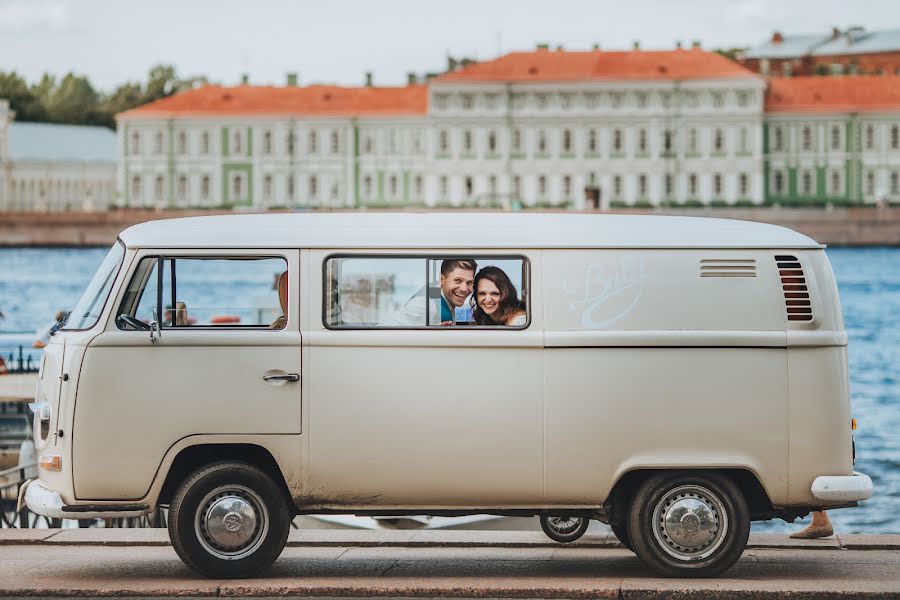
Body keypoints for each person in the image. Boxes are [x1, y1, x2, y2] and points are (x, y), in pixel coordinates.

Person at [380, 259, 477, 326]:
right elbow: (382, 331)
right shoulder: (426, 305)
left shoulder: (442, 299)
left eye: (469, 282)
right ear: (441, 280)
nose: (464, 289)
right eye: (458, 281)